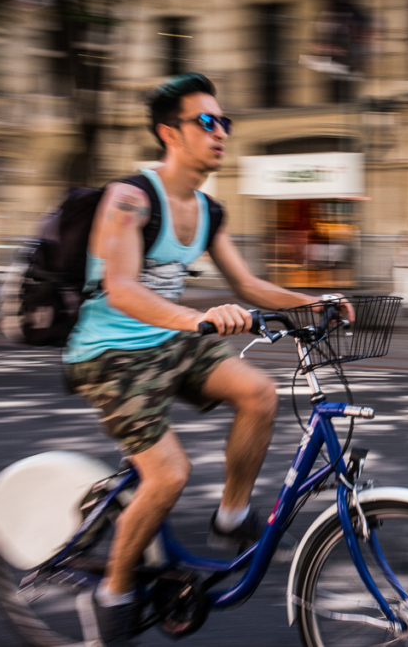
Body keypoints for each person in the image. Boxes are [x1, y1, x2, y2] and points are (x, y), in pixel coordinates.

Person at [62, 73, 351, 646]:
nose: (221, 133)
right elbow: (119, 288)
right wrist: (198, 318)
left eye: (226, 123)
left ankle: (230, 514)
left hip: (166, 342)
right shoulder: (129, 199)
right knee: (168, 474)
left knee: (259, 393)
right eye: (208, 122)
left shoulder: (208, 211)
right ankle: (113, 592)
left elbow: (248, 285)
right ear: (170, 133)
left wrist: (316, 302)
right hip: (108, 354)